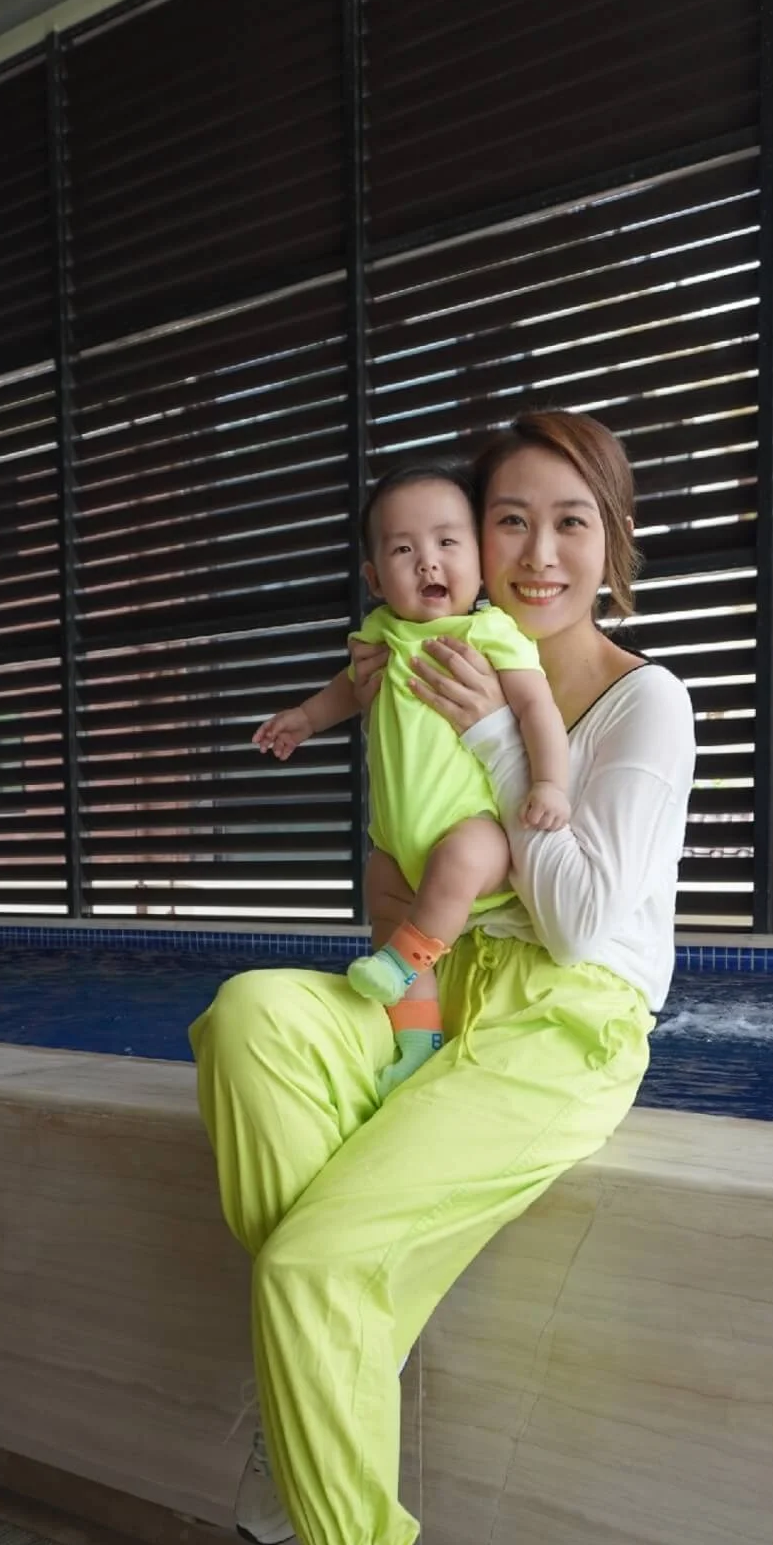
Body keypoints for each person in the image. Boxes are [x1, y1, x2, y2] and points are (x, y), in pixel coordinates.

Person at [190, 410, 696, 1545]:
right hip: (435, 994)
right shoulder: (430, 651)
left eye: (569, 522)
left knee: (311, 1266)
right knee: (251, 1016)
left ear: (611, 542)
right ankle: (313, 1391)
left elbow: (589, 922)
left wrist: (489, 738)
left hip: (561, 1027)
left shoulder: (643, 700)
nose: (537, 553)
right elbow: (403, 880)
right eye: (508, 521)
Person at [253, 464, 572, 1094]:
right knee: (384, 897)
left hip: (474, 830)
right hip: (396, 840)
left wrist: (550, 784)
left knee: (459, 859)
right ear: (375, 579)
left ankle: (406, 961)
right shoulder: (380, 636)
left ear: (479, 561)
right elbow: (348, 689)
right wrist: (305, 719)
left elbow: (539, 710)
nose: (428, 561)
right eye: (404, 550)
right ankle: (418, 1043)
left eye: (447, 542)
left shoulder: (489, 632)